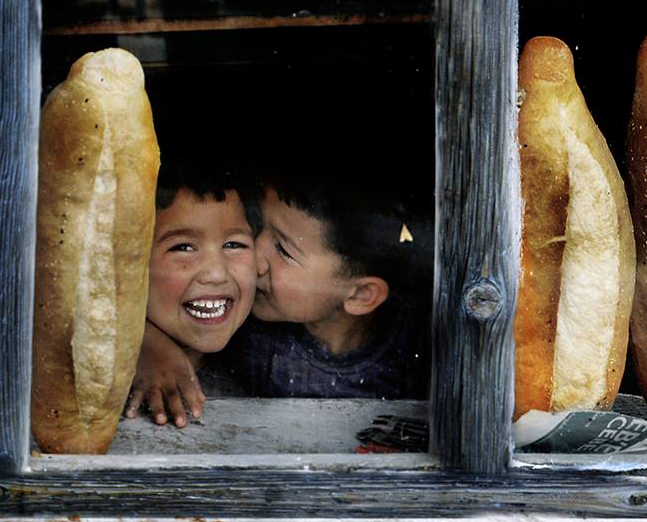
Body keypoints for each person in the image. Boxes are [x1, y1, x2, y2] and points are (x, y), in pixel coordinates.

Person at [124, 171, 429, 426]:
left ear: (361, 295)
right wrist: (148, 345)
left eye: (283, 250)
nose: (256, 260)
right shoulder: (246, 326)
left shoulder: (419, 348)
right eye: (258, 230)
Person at [122, 162, 257, 427]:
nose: (216, 274)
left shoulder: (267, 359)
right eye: (183, 247)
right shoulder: (100, 369)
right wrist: (135, 342)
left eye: (234, 244)